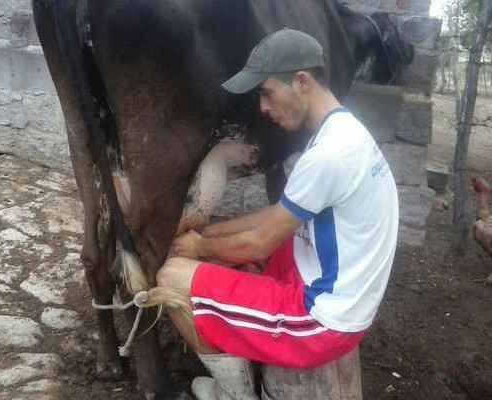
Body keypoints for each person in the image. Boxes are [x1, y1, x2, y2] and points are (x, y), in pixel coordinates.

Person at [157, 28, 399, 400]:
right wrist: (208, 238)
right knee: (228, 254)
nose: (262, 108)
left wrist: (197, 248)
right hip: (337, 289)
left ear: (301, 81)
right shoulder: (343, 133)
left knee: (172, 276)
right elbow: (276, 214)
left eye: (267, 93)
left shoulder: (328, 156)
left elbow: (257, 244)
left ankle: (236, 394)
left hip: (321, 322)